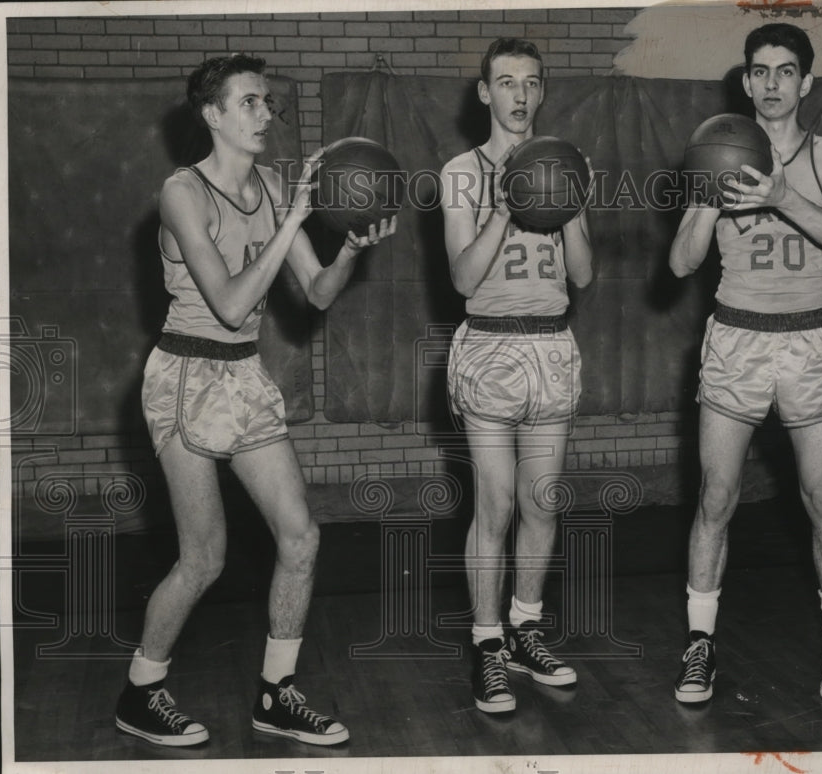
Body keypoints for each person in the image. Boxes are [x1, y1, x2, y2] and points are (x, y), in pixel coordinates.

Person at [114, 54, 396, 747]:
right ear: (211, 115)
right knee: (203, 558)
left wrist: (351, 248)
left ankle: (277, 692)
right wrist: (294, 215)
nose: (265, 113)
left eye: (268, 102)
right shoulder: (184, 192)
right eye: (248, 102)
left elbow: (318, 292)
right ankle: (141, 691)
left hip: (243, 376)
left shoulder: (272, 186)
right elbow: (235, 303)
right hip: (184, 375)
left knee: (301, 534)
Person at [668, 23, 822, 704]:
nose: (773, 83)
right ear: (746, 80)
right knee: (715, 497)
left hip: (808, 340)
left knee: (821, 495)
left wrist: (780, 194)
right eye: (761, 71)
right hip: (737, 339)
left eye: (786, 71)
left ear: (805, 82)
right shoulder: (716, 151)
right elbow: (681, 263)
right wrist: (704, 202)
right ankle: (699, 646)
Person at [440, 38, 594, 713]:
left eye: (531, 83)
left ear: (542, 90)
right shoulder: (460, 173)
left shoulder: (568, 163)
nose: (520, 95)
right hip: (492, 349)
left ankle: (527, 627)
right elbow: (463, 280)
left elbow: (584, 274)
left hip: (551, 346)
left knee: (541, 502)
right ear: (485, 93)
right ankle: (486, 643)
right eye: (506, 83)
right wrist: (509, 201)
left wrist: (568, 200)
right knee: (496, 505)